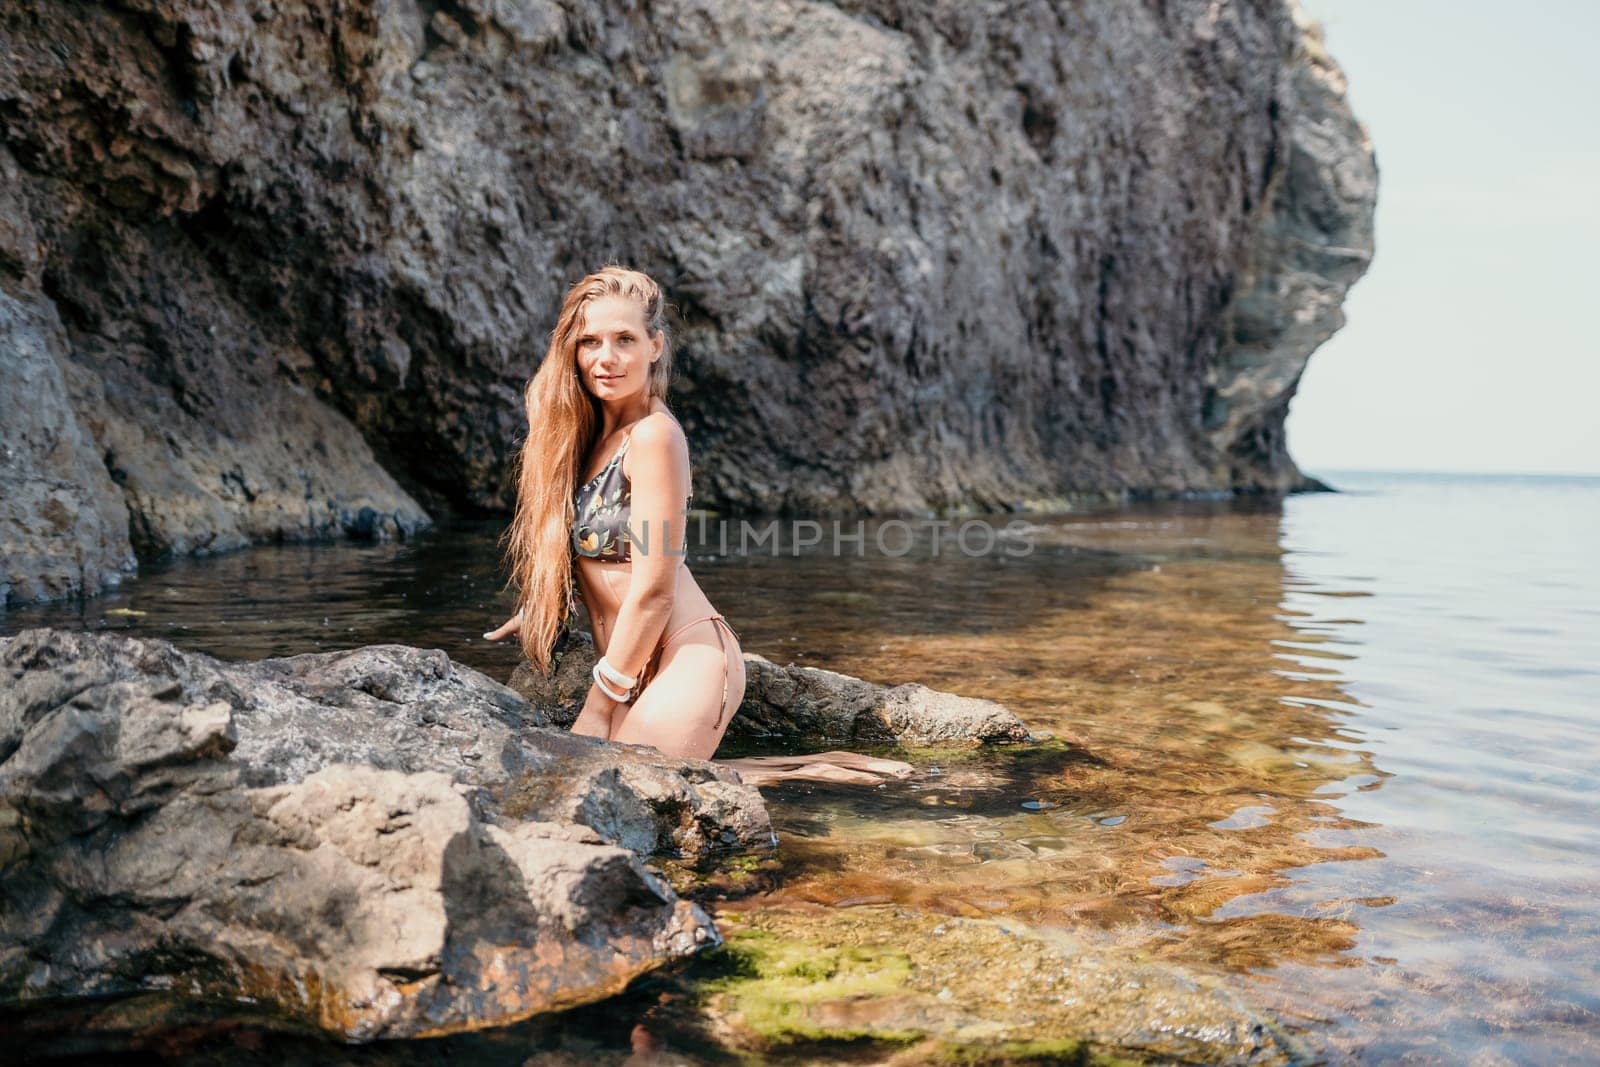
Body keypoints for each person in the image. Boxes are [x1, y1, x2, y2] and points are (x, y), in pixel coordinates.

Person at [483, 265, 912, 787]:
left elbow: (655, 590)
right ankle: (821, 768)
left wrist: (599, 704)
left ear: (655, 346)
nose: (606, 358)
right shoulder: (586, 437)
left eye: (625, 339)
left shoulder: (654, 438)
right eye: (590, 341)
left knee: (633, 787)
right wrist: (542, 604)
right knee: (615, 783)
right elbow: (597, 552)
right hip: (631, 667)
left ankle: (844, 776)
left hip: (686, 659)